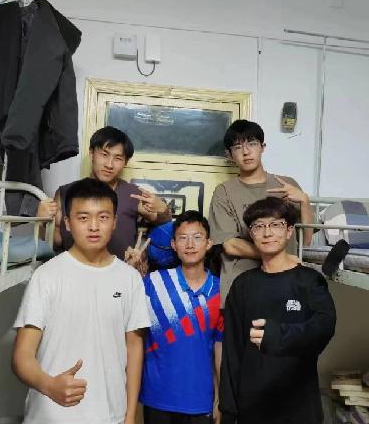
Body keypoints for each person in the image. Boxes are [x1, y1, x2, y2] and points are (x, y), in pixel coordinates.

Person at [12, 178, 151, 424]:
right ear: (67, 223)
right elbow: (22, 356)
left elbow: (134, 349)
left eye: (103, 217)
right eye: (83, 217)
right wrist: (49, 385)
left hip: (110, 416)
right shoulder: (46, 276)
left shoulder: (130, 279)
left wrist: (130, 416)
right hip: (51, 416)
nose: (94, 226)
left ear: (115, 222)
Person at [219, 197, 336, 424]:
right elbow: (232, 352)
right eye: (259, 226)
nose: (267, 233)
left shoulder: (309, 281)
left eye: (275, 225)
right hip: (253, 406)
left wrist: (278, 335)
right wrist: (228, 410)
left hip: (299, 406)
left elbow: (324, 327)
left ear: (289, 230)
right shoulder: (243, 285)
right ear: (251, 234)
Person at [208, 119, 314, 304]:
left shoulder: (286, 185)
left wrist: (304, 202)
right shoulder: (224, 192)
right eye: (238, 147)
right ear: (229, 155)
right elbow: (231, 245)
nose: (246, 152)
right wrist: (280, 256)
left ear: (262, 147)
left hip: (287, 280)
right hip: (243, 282)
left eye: (252, 144)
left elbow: (306, 242)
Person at [37, 127, 171, 261]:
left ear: (125, 162)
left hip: (120, 269)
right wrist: (42, 221)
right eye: (104, 155)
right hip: (75, 269)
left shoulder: (134, 194)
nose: (109, 165)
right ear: (92, 154)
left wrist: (162, 209)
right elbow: (56, 242)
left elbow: (165, 222)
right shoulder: (66, 192)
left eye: (118, 158)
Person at [140, 210, 224, 424]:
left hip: (200, 400)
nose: (190, 244)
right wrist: (131, 273)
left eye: (197, 237)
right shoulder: (153, 282)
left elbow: (219, 348)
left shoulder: (220, 291)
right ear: (173, 245)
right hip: (157, 399)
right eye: (183, 238)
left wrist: (219, 397)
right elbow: (131, 334)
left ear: (209, 243)